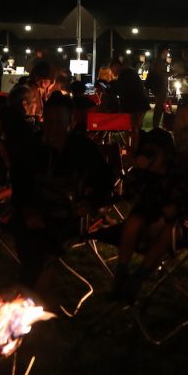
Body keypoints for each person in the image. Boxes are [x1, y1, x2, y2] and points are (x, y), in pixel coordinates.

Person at [10, 93, 115, 304]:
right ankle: (34, 300)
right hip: (35, 213)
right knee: (30, 236)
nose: (53, 128)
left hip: (70, 215)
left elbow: (105, 181)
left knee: (41, 245)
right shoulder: (32, 148)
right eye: (49, 122)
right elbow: (19, 186)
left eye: (59, 122)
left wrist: (91, 203)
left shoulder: (83, 148)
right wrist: (28, 210)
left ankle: (29, 298)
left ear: (70, 123)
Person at [112, 129, 188, 303]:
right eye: (147, 152)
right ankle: (121, 275)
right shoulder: (142, 173)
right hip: (144, 223)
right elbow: (129, 196)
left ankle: (137, 278)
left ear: (166, 154)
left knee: (170, 229)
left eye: (153, 153)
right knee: (134, 221)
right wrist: (137, 170)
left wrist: (175, 209)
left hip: (173, 227)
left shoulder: (179, 173)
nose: (149, 157)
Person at [145, 49, 172, 130]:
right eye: (167, 51)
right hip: (159, 87)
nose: (168, 53)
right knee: (159, 107)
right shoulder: (158, 61)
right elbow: (161, 74)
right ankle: (156, 127)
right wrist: (174, 72)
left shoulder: (160, 61)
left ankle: (158, 126)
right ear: (163, 51)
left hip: (161, 86)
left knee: (161, 107)